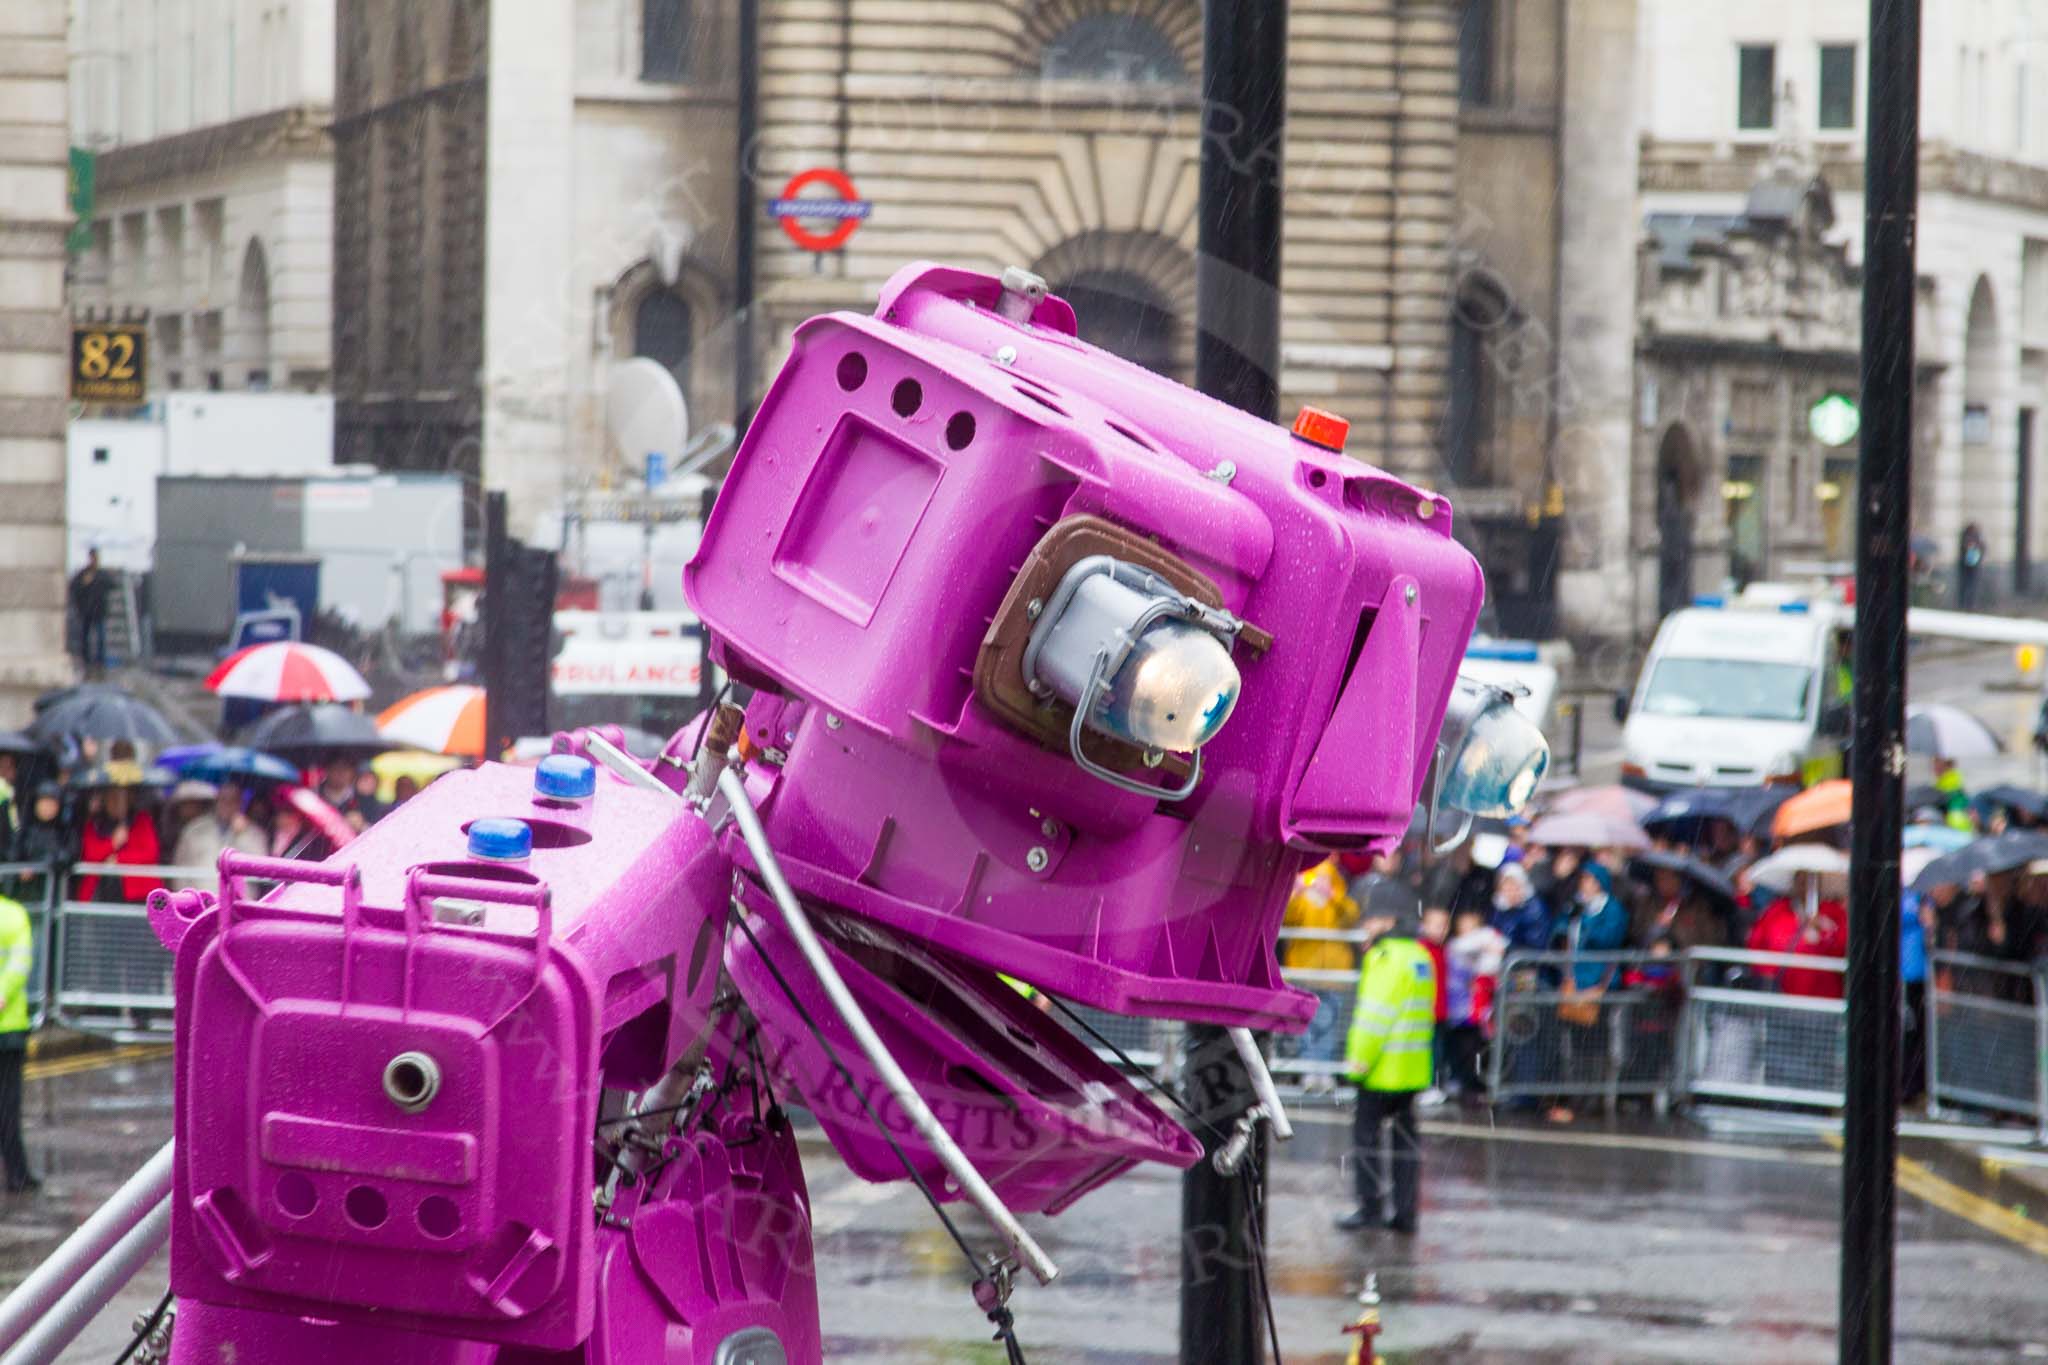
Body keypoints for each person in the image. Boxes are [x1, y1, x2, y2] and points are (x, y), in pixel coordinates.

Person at [1335, 881, 1436, 1235]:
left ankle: (1370, 1209)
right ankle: (1406, 1214)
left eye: (1371, 918)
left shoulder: (1384, 958)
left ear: (1386, 920)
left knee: (1367, 1139)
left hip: (1380, 1070)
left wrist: (1357, 1061)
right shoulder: (1420, 957)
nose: (1366, 924)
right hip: (1412, 1069)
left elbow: (1373, 1018)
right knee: (1406, 1143)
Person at [1280, 856, 1360, 1088]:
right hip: (1305, 970)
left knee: (1329, 1021)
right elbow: (1286, 917)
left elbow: (1351, 916)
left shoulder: (1339, 895)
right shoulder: (1301, 897)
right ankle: (1309, 1070)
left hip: (1333, 973)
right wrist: (1296, 893)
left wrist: (1333, 898)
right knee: (1308, 1023)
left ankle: (1322, 1071)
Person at [1442, 906, 1506, 1099]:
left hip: (1473, 1009)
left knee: (1474, 1047)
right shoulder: (1455, 947)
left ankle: (1474, 1085)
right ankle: (1462, 1081)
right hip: (1456, 1008)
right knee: (1458, 1048)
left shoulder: (1481, 944)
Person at [73, 782, 165, 904]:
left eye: (122, 797)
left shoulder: (142, 820)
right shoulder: (94, 824)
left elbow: (150, 853)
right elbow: (90, 855)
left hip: (136, 893)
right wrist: (113, 843)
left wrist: (119, 859)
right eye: (112, 796)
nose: (117, 802)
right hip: (100, 891)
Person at [0, 886, 37, 1192]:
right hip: (9, 1026)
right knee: (8, 1105)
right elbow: (20, 965)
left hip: (9, 1026)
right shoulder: (13, 914)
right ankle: (16, 1173)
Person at [170, 782, 265, 890]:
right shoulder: (195, 829)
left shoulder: (254, 833)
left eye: (232, 801)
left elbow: (257, 868)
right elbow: (181, 866)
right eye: (223, 799)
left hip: (238, 901)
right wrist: (185, 897)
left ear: (240, 803)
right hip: (201, 899)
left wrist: (241, 835)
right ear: (217, 801)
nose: (227, 805)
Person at [67, 549, 112, 675]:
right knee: (85, 638)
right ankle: (86, 660)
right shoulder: (84, 573)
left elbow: (111, 585)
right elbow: (73, 586)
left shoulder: (101, 573)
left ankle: (100, 661)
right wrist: (84, 583)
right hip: (87, 611)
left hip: (99, 611)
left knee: (101, 638)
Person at [1958, 522, 1987, 611]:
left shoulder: (1977, 539)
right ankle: (1964, 604)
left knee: (1972, 586)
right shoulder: (1966, 538)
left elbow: (1982, 549)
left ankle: (1971, 604)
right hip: (1966, 566)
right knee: (1966, 585)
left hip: (1974, 567)